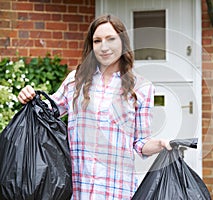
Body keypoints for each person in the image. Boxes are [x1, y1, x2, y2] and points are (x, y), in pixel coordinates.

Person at [18, 14, 171, 200]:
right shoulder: (77, 79)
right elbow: (49, 110)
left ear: (122, 42)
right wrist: (29, 96)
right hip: (77, 187)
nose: (104, 47)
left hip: (117, 188)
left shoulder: (142, 88)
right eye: (97, 41)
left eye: (110, 39)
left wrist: (161, 144)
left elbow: (140, 143)